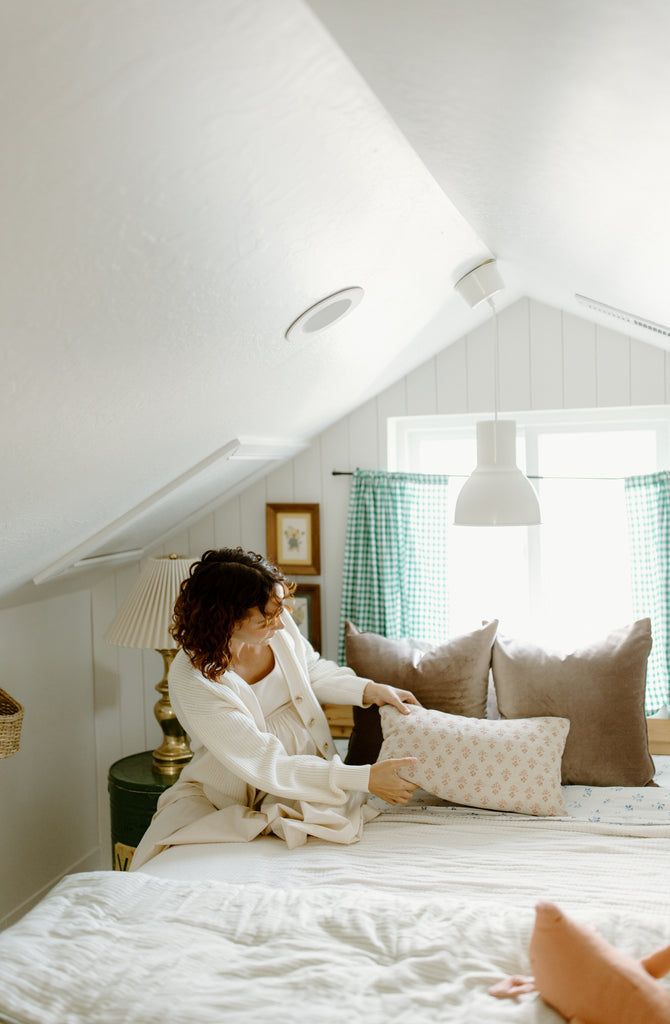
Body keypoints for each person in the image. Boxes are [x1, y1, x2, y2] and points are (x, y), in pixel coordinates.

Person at [130, 547, 419, 868]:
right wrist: (363, 777)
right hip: (235, 792)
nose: (280, 625)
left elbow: (310, 668)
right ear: (227, 618)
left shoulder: (275, 626)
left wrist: (369, 689)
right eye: (266, 619)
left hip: (307, 773)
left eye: (279, 611)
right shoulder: (194, 679)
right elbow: (266, 763)